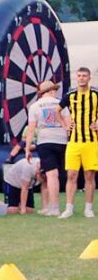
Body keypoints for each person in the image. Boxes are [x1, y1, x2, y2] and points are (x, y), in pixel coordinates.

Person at [23, 80, 70, 216]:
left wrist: (27, 149)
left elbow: (31, 129)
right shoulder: (61, 104)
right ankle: (64, 205)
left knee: (51, 175)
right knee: (63, 175)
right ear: (51, 91)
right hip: (62, 141)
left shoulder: (35, 106)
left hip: (45, 141)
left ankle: (54, 207)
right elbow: (69, 124)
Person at [59, 66, 98, 219]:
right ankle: (69, 208)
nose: (81, 78)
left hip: (91, 141)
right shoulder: (70, 95)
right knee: (72, 174)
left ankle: (88, 208)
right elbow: (57, 110)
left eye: (84, 76)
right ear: (76, 77)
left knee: (89, 175)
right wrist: (64, 125)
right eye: (79, 75)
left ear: (89, 78)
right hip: (74, 141)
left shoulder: (95, 94)